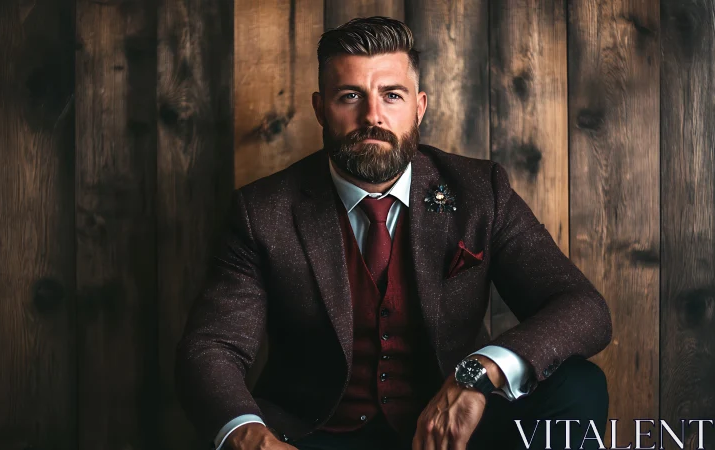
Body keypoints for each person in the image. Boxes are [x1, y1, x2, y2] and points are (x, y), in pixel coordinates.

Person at [175, 16, 612, 450]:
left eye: (392, 95)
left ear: (418, 106)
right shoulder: (262, 211)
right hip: (316, 434)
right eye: (350, 96)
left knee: (579, 385)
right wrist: (248, 436)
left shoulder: (480, 191)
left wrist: (479, 372)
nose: (373, 116)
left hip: (456, 432)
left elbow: (583, 308)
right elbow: (212, 348)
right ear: (319, 108)